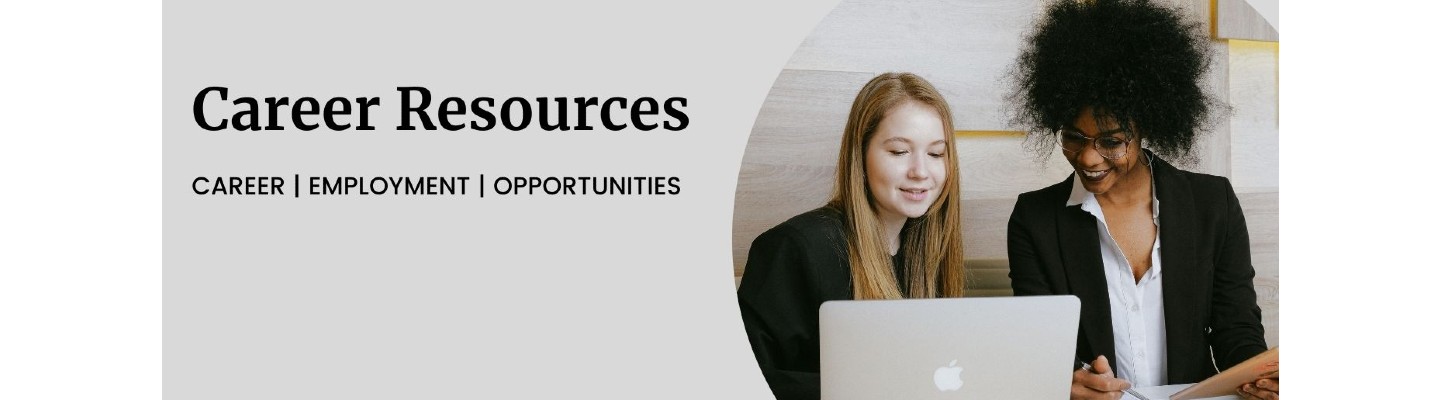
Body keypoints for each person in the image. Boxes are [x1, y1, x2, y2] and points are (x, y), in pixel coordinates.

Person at [1004, 1, 1277, 399]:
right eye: (1073, 137)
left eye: (1111, 141)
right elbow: (1039, 348)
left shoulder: (1211, 204)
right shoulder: (1035, 220)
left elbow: (1237, 329)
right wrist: (1068, 383)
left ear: (1148, 123)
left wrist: (1260, 379)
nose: (1088, 157)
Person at [736, 72, 965, 400]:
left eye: (936, 153)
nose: (921, 171)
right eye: (899, 151)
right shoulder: (794, 248)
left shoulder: (929, 246)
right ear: (861, 155)